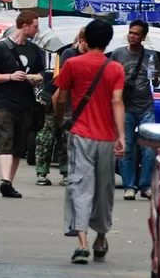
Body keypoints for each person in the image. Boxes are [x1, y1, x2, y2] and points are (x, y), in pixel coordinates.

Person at [54, 19, 126, 264]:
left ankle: (82, 244)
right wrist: (121, 136)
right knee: (105, 190)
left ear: (87, 39)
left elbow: (60, 97)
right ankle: (101, 238)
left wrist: (61, 118)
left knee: (79, 185)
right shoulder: (116, 68)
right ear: (107, 42)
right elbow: (118, 102)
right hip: (106, 138)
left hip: (81, 135)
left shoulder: (73, 64)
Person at [0, 10, 44, 198]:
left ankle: (9, 182)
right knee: (5, 141)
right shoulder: (1, 48)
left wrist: (35, 79)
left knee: (19, 145)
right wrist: (10, 76)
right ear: (24, 26)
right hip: (5, 103)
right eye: (35, 26)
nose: (37, 30)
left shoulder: (35, 50)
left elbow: (40, 75)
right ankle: (5, 179)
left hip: (26, 103)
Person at [109, 20, 157, 201]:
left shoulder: (150, 56)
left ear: (143, 37)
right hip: (125, 107)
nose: (132, 36)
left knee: (149, 148)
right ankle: (129, 186)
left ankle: (145, 185)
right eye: (130, 32)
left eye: (136, 33)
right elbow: (109, 77)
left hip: (146, 106)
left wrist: (156, 76)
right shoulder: (117, 54)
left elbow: (157, 82)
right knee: (126, 147)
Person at [36, 29, 83, 187]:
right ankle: (41, 172)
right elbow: (62, 85)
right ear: (82, 40)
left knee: (66, 139)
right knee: (47, 138)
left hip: (69, 103)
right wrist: (59, 116)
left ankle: (66, 172)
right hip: (53, 99)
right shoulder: (69, 54)